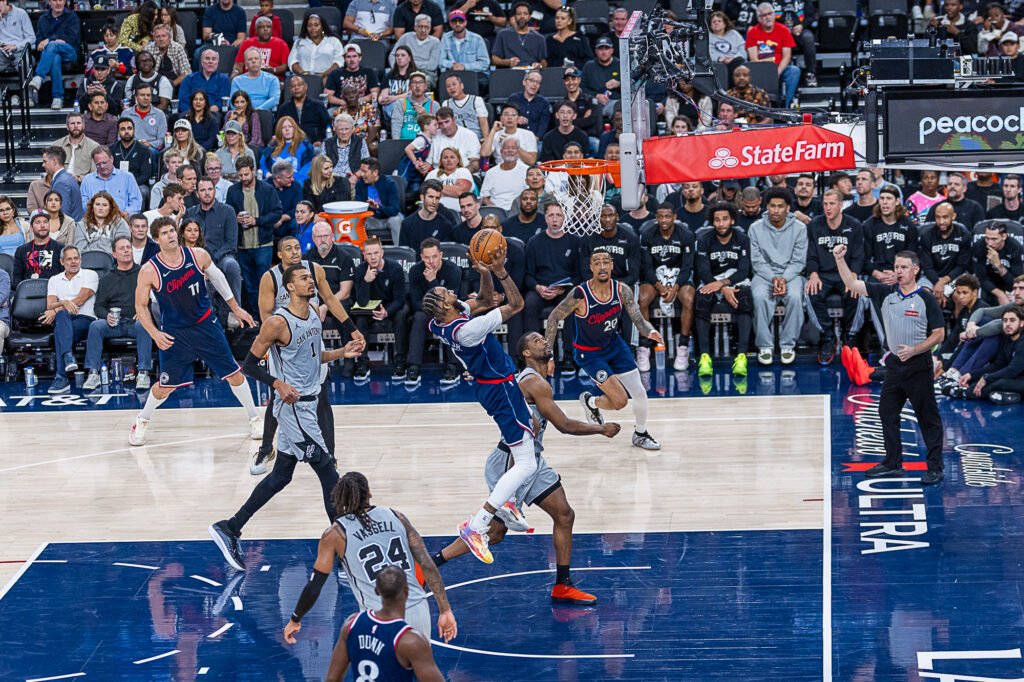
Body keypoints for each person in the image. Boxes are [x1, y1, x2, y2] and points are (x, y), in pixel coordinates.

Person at [433, 330, 620, 605]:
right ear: (526, 353)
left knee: (564, 515)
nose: (543, 340)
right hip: (511, 460)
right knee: (494, 532)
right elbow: (564, 425)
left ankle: (563, 586)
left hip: (533, 459)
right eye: (535, 340)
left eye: (543, 337)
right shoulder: (533, 383)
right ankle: (430, 564)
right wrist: (601, 429)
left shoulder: (535, 380)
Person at [208, 264, 363, 567]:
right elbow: (249, 365)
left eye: (311, 277)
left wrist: (340, 353)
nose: (311, 281)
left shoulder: (314, 315)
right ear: (290, 287)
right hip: (294, 409)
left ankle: (230, 527)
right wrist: (277, 384)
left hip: (309, 404)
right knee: (328, 471)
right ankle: (345, 553)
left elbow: (314, 357)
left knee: (281, 476)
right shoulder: (277, 323)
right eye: (304, 278)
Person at [423, 243, 535, 563]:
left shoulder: (440, 321)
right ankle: (478, 524)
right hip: (501, 390)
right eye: (446, 293)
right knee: (527, 462)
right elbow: (516, 304)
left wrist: (485, 274)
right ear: (444, 307)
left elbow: (484, 300)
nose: (451, 291)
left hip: (492, 387)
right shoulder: (469, 330)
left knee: (526, 433)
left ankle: (507, 499)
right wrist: (501, 272)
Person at [280, 474, 456, 657]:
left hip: (380, 617)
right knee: (421, 668)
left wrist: (295, 619)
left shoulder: (334, 534)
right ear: (369, 493)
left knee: (384, 671)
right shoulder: (396, 516)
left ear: (339, 497)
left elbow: (315, 585)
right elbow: (427, 564)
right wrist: (445, 609)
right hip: (418, 609)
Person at [129, 217, 259, 446]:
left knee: (234, 373)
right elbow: (140, 306)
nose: (170, 235)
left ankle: (255, 418)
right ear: (156, 239)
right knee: (166, 386)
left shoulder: (197, 255)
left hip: (205, 325)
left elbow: (218, 278)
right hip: (175, 332)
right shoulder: (149, 270)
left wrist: (236, 307)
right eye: (165, 233)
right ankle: (142, 419)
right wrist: (154, 333)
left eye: (172, 230)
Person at [833, 243, 945, 485]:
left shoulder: (925, 297)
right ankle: (893, 463)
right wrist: (839, 259)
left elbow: (939, 334)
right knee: (887, 412)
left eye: (904, 267)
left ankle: (935, 467)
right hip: (894, 364)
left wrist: (915, 349)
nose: (899, 271)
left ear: (915, 270)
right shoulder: (886, 292)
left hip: (918, 364)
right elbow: (851, 283)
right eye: (896, 267)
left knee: (927, 417)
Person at [250, 235, 364, 473]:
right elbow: (266, 317)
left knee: (321, 396)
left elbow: (330, 299)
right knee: (279, 396)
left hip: (309, 338)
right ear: (279, 255)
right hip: (283, 344)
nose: (294, 252)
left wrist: (352, 329)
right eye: (288, 249)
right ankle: (266, 448)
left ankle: (330, 454)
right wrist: (275, 344)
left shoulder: (314, 270)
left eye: (297, 247)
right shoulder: (270, 278)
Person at [545, 250, 663, 450]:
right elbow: (553, 318)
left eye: (605, 262)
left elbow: (638, 319)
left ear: (611, 265)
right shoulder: (580, 294)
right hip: (589, 353)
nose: (602, 266)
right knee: (620, 402)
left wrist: (650, 331)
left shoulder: (622, 290)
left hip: (614, 345)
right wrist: (549, 355)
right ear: (591, 267)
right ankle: (592, 402)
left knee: (640, 392)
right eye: (597, 263)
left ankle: (640, 434)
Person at [322, 566, 446, 682]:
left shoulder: (351, 624)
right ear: (406, 591)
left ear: (377, 590)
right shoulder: (411, 641)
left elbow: (332, 679)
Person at [81, 236, 154, 391]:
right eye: (122, 248)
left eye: (128, 247)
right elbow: (98, 306)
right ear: (114, 254)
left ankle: (143, 372)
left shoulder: (143, 273)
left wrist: (143, 311)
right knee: (95, 326)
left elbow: (152, 299)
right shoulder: (107, 278)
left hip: (135, 322)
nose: (126, 251)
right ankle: (93, 373)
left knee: (145, 324)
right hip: (114, 323)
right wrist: (106, 315)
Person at [805, 189, 865, 363]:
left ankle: (849, 338)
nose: (828, 207)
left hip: (846, 273)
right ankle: (828, 337)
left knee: (857, 293)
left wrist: (853, 276)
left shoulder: (854, 225)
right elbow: (811, 255)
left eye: (832, 204)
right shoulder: (815, 225)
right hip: (823, 274)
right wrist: (813, 274)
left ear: (840, 205)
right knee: (810, 292)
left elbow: (858, 256)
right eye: (825, 204)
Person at [749, 186, 807, 365]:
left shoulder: (799, 228)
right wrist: (774, 278)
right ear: (766, 207)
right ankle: (764, 345)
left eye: (780, 206)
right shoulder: (755, 228)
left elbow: (798, 261)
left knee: (795, 297)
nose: (775, 210)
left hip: (791, 273)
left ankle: (788, 345)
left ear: (788, 208)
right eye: (772, 206)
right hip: (764, 274)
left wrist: (783, 278)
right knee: (759, 297)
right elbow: (757, 261)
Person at [694, 202, 753, 378]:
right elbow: (703, 271)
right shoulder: (704, 239)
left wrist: (724, 285)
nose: (721, 224)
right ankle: (705, 357)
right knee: (702, 299)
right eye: (717, 220)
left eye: (725, 219)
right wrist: (720, 286)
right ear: (712, 222)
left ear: (732, 220)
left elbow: (744, 270)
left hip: (735, 279)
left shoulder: (742, 239)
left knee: (745, 299)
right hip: (711, 279)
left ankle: (741, 356)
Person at [637, 203, 696, 371]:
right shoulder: (647, 234)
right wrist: (660, 287)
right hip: (656, 277)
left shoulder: (685, 235)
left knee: (689, 298)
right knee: (642, 298)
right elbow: (646, 266)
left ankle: (683, 346)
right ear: (656, 218)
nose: (664, 220)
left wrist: (674, 288)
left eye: (667, 216)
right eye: (660, 216)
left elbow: (687, 267)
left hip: (678, 277)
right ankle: (644, 346)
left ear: (674, 217)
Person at [226, 156, 284, 312]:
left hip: (263, 244)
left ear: (253, 171)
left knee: (265, 285)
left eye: (246, 174)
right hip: (243, 246)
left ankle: (268, 316)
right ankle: (256, 318)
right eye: (240, 175)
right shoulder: (233, 191)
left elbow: (277, 213)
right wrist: (235, 218)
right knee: (250, 287)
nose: (244, 178)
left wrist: (256, 221)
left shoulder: (267, 189)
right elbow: (228, 214)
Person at [406, 238, 463, 386]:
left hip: (448, 311)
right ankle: (413, 367)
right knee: (418, 317)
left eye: (434, 257)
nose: (431, 261)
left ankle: (453, 366)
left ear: (441, 255)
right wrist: (433, 308)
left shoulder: (453, 270)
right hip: (425, 311)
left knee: (450, 317)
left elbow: (449, 302)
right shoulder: (415, 271)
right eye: (427, 258)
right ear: (421, 257)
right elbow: (415, 302)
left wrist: (432, 281)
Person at [351, 237, 409, 380]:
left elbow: (399, 299)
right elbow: (361, 302)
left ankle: (400, 362)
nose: (373, 257)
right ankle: (362, 363)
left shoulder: (395, 268)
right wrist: (366, 281)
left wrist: (387, 312)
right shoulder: (360, 270)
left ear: (382, 253)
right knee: (360, 319)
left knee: (401, 315)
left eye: (376, 253)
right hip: (369, 307)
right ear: (364, 255)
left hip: (391, 306)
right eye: (369, 254)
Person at [41, 244, 96, 394]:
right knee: (61, 319)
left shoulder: (90, 275)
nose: (73, 262)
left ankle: (61, 377)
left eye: (76, 258)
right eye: (69, 259)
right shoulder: (54, 279)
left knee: (59, 331)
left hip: (86, 319)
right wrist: (63, 303)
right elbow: (50, 305)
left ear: (80, 259)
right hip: (65, 320)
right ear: (62, 262)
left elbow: (80, 300)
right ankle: (68, 356)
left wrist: (59, 306)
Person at [28, 0, 80, 111]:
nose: (58, 3)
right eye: (55, 0)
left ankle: (39, 76)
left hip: (70, 52)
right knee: (55, 57)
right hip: (51, 54)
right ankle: (57, 98)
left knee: (52, 45)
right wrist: (44, 43)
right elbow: (39, 43)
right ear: (50, 2)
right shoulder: (43, 19)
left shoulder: (72, 17)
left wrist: (49, 40)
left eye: (61, 0)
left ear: (65, 1)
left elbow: (71, 38)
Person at [745, 2, 800, 106]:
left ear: (774, 15)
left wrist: (777, 72)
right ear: (759, 18)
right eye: (764, 15)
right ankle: (759, 106)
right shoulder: (752, 32)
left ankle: (786, 106)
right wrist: (768, 73)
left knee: (794, 71)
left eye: (770, 14)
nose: (767, 17)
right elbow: (753, 59)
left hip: (780, 68)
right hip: (761, 69)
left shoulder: (783, 30)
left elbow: (787, 56)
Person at [971, 220, 1024, 304]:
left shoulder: (1015, 248)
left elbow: (1016, 281)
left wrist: (999, 266)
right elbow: (981, 278)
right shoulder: (979, 246)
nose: (989, 243)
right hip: (987, 284)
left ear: (1004, 236)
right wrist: (1000, 294)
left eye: (994, 239)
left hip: (1009, 285)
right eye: (987, 238)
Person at [80, 146, 143, 215]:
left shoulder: (127, 177)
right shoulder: (87, 180)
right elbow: (83, 203)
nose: (102, 166)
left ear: (112, 159)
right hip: (95, 218)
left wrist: (125, 214)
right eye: (98, 164)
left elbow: (136, 202)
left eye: (104, 162)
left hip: (121, 218)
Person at [439, 10, 491, 86]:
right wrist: (452, 65)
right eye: (454, 21)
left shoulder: (477, 39)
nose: (457, 24)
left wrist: (465, 66)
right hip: (452, 75)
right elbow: (440, 61)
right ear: (450, 23)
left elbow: (485, 63)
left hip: (473, 74)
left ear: (465, 22)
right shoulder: (445, 38)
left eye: (460, 21)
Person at [288, 13, 344, 83]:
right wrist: (303, 73)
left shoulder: (334, 41)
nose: (313, 28)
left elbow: (339, 62)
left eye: (316, 25)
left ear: (322, 26)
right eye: (309, 26)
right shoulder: (299, 42)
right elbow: (292, 61)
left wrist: (324, 75)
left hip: (327, 78)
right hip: (303, 78)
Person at [110, 118, 156, 204]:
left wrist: (129, 185)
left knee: (142, 191)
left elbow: (145, 175)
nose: (126, 131)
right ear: (118, 132)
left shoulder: (144, 150)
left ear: (134, 130)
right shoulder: (112, 149)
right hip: (115, 184)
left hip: (138, 184)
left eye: (129, 128)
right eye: (123, 129)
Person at [261, 116, 315, 185]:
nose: (287, 129)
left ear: (294, 128)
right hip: (275, 184)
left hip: (295, 184)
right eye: (283, 127)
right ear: (279, 130)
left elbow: (307, 167)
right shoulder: (272, 146)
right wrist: (267, 174)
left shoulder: (304, 146)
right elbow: (263, 162)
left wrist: (295, 183)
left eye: (290, 126)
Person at [390, 15, 442, 87]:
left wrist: (408, 64)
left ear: (430, 28)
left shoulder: (435, 42)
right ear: (415, 27)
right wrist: (397, 67)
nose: (423, 30)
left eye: (426, 27)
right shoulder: (406, 37)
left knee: (420, 84)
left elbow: (432, 65)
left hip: (426, 73)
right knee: (390, 79)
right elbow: (392, 55)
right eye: (420, 26)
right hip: (403, 70)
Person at [233, 16, 290, 81]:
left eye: (268, 27)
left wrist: (273, 70)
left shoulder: (281, 44)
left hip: (272, 79)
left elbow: (285, 66)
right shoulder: (246, 43)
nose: (266, 29)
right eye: (262, 27)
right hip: (249, 79)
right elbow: (239, 64)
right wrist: (235, 73)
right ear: (256, 30)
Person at [277, 76, 331, 145]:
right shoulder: (283, 108)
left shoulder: (318, 105)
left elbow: (326, 126)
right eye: (293, 86)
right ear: (290, 90)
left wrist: (320, 140)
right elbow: (278, 128)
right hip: (290, 145)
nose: (296, 88)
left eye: (299, 85)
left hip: (314, 144)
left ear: (306, 87)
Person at [492, 1, 547, 68]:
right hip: (510, 71)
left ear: (529, 17)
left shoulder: (539, 38)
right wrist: (507, 62)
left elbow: (544, 62)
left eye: (525, 14)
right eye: (519, 14)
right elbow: (494, 59)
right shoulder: (503, 34)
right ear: (514, 16)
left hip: (532, 71)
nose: (522, 16)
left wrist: (539, 65)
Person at [178, 49, 231, 117]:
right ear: (202, 62)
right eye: (207, 58)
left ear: (217, 62)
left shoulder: (224, 80)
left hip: (213, 114)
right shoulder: (189, 79)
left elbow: (222, 101)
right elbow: (183, 100)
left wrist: (206, 112)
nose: (210, 61)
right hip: (191, 113)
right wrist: (194, 112)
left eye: (213, 59)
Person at [480, 138, 528, 212]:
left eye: (513, 148)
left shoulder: (526, 171)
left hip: (519, 211)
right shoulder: (491, 172)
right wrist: (493, 208)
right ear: (501, 151)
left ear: (518, 152)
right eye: (506, 148)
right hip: (496, 211)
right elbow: (484, 196)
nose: (510, 150)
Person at [230, 47, 282, 111]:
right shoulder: (237, 81)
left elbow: (275, 99)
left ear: (261, 62)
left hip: (264, 113)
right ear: (246, 64)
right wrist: (246, 112)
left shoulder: (272, 79)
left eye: (256, 58)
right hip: (243, 113)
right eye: (250, 59)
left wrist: (257, 111)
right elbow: (232, 102)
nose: (253, 61)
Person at [123, 84, 168, 158]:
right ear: (136, 97)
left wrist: (150, 144)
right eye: (142, 95)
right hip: (131, 146)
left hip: (151, 149)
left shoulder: (159, 114)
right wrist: (137, 144)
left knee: (148, 152)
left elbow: (162, 139)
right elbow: (121, 136)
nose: (146, 98)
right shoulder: (126, 113)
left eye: (148, 95)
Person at [441, 73, 488, 141]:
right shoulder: (446, 104)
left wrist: (486, 140)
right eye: (448, 86)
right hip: (456, 140)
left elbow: (483, 122)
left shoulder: (476, 100)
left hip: (476, 139)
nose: (451, 88)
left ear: (462, 86)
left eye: (454, 84)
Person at [424, 148, 474, 212]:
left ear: (458, 160)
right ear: (441, 161)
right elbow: (426, 192)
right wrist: (452, 191)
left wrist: (435, 188)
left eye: (452, 157)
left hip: (459, 211)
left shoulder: (463, 171)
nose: (449, 160)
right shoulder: (433, 173)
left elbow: (460, 192)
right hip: (434, 211)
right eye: (445, 158)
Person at [55, 113, 99, 183]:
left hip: (82, 184)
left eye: (78, 123)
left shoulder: (94, 146)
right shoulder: (57, 145)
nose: (76, 126)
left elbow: (95, 173)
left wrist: (79, 179)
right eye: (72, 123)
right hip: (60, 182)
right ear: (67, 127)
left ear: (83, 126)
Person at [507, 70, 551, 140]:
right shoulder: (513, 99)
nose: (534, 84)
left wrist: (535, 139)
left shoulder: (544, 102)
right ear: (524, 82)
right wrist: (515, 119)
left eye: (538, 82)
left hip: (535, 140)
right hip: (515, 139)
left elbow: (543, 125)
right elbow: (505, 118)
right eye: (532, 80)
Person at [144, 23, 190, 89]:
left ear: (169, 37)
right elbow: (145, 73)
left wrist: (170, 86)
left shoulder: (178, 48)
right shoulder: (148, 49)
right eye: (158, 36)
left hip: (175, 84)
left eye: (164, 36)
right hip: (154, 85)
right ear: (154, 38)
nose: (161, 39)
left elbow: (186, 73)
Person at [0, 0, 35, 74]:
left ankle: (29, 81)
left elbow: (32, 38)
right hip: (2, 53)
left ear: (5, 1)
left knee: (26, 64)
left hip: (19, 52)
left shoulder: (21, 13)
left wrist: (16, 46)